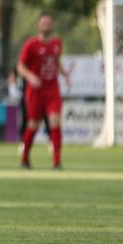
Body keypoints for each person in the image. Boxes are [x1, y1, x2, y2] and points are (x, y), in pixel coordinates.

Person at [17, 12, 71, 170]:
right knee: (33, 124)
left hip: (52, 89)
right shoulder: (31, 44)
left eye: (48, 22)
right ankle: (25, 158)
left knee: (55, 121)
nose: (46, 25)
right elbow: (20, 66)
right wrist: (30, 76)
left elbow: (56, 62)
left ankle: (57, 162)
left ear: (52, 25)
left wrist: (65, 74)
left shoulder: (57, 43)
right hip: (35, 91)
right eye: (43, 22)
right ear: (39, 25)